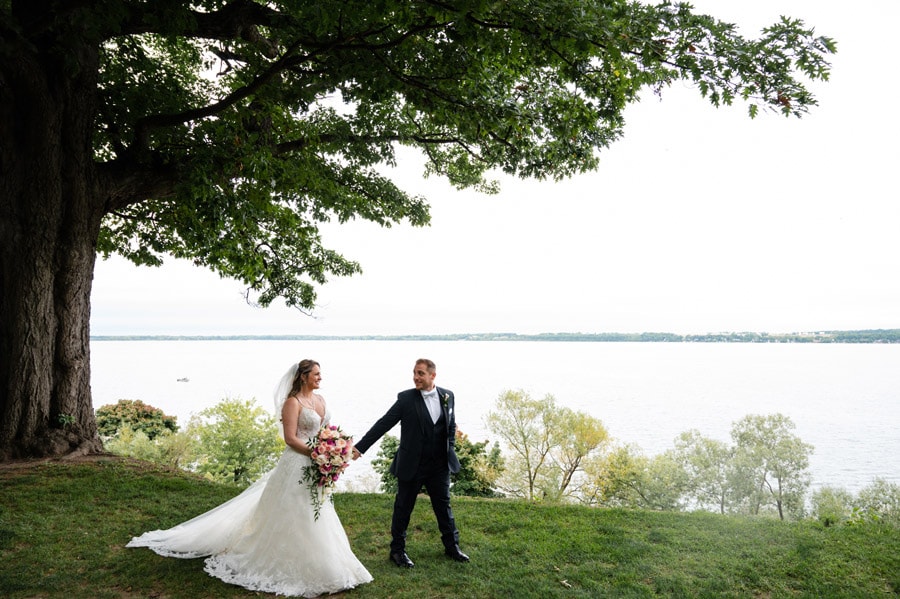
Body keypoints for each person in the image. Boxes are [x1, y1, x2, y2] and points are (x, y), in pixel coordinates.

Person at [127, 359, 372, 598]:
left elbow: (325, 431)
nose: (320, 377)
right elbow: (290, 438)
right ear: (303, 376)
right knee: (295, 510)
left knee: (317, 508)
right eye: (316, 374)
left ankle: (326, 562)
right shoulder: (292, 402)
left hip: (317, 465)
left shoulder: (320, 400)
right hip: (298, 462)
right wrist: (317, 452)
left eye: (320, 373)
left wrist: (331, 450)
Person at [352, 358, 470, 567]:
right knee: (403, 508)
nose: (416, 377)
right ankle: (397, 551)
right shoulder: (406, 399)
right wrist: (360, 448)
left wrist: (449, 446)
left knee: (444, 507)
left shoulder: (447, 395)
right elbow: (384, 423)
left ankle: (452, 547)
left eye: (420, 373)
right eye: (415, 373)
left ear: (432, 375)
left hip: (439, 465)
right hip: (412, 463)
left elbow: (450, 424)